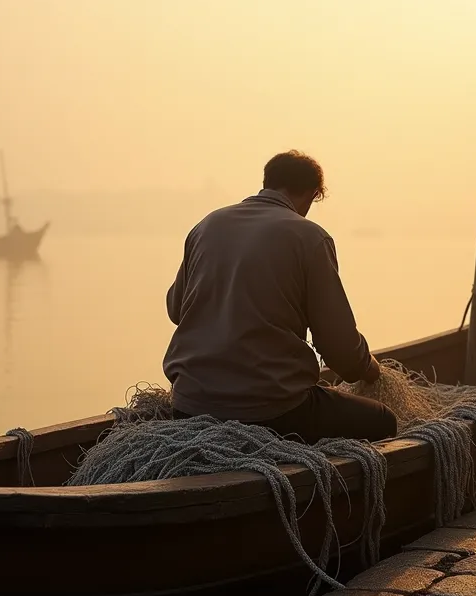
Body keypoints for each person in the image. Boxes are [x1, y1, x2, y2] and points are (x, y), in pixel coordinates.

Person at [162, 150, 398, 444]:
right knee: (383, 420)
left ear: (267, 182)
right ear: (313, 194)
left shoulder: (207, 225)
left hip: (189, 406)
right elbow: (339, 348)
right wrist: (370, 369)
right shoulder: (310, 237)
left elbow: (175, 309)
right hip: (273, 412)